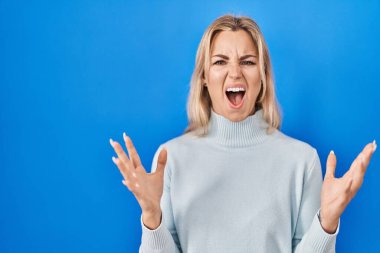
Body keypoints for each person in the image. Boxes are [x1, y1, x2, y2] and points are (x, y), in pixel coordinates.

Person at [109, 14, 376, 253]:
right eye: (220, 62)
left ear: (262, 75)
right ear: (204, 76)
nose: (234, 73)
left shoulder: (302, 160)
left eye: (247, 62)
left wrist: (327, 223)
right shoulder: (171, 158)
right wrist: (152, 216)